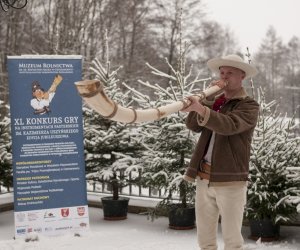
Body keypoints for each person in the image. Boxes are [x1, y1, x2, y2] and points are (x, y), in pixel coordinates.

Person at [181, 54, 259, 250]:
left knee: (232, 241)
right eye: (222, 72)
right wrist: (202, 101)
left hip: (230, 181)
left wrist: (202, 109)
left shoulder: (249, 105)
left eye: (230, 73)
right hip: (203, 177)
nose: (224, 77)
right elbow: (193, 126)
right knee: (205, 240)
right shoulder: (215, 102)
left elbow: (229, 125)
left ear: (242, 76)